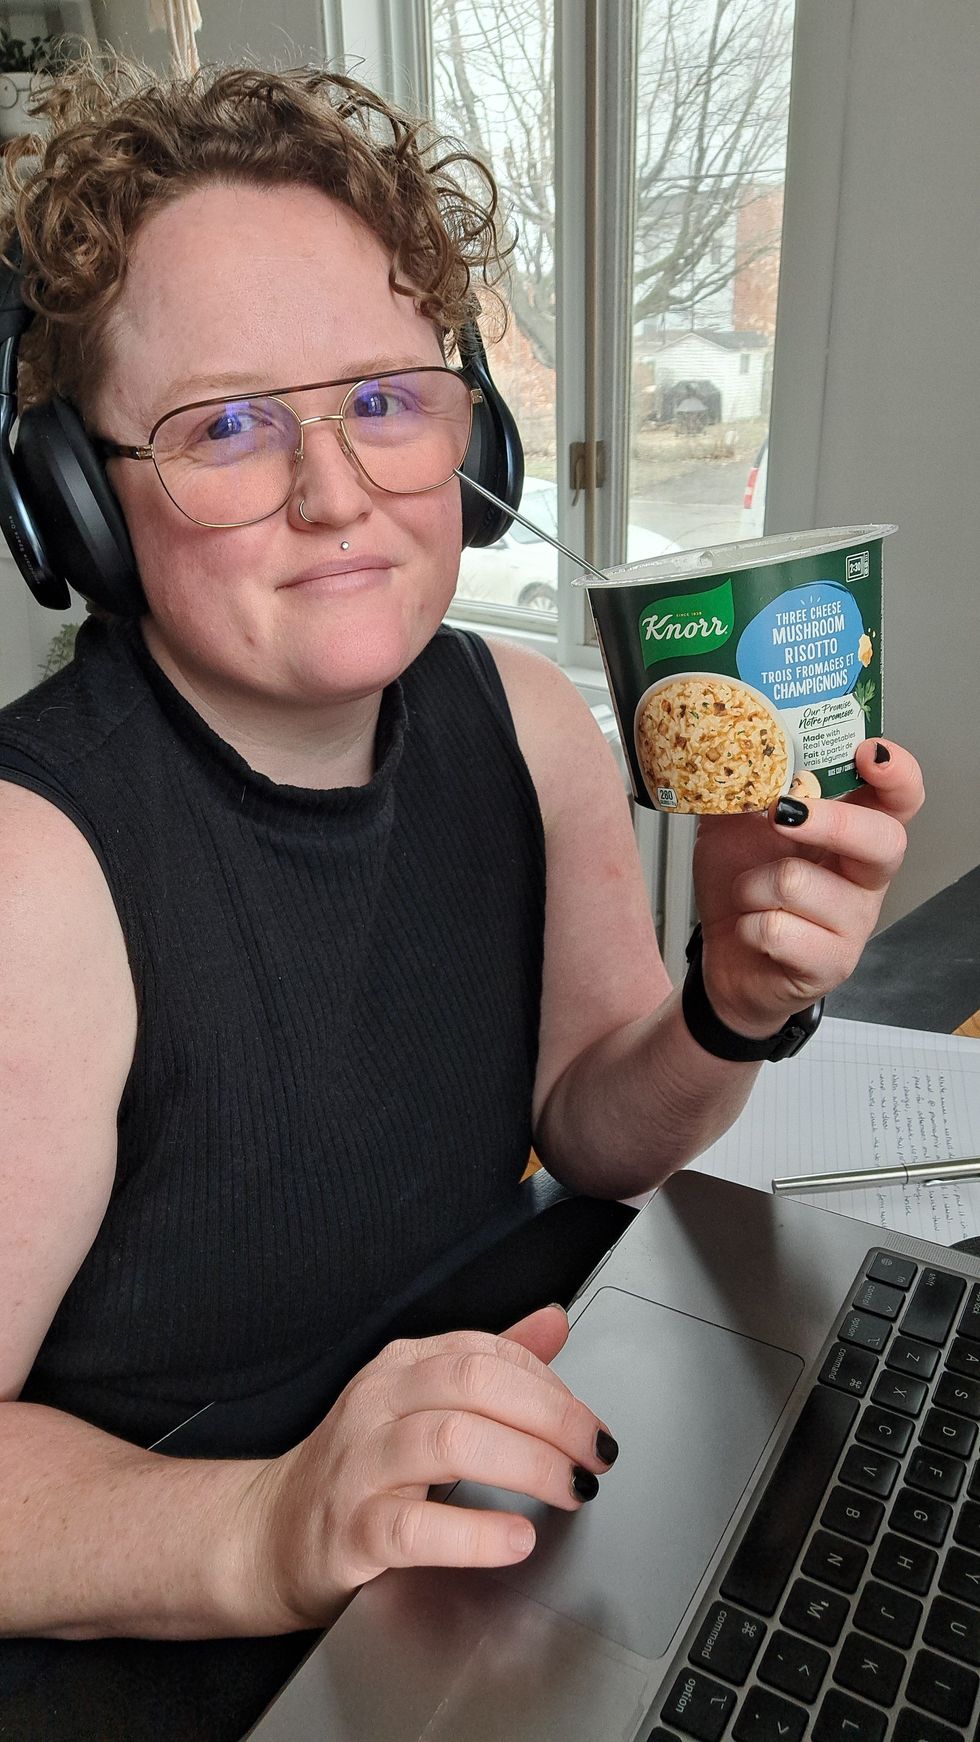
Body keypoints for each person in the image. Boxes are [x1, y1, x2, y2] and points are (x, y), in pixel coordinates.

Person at [0, 55, 922, 1648]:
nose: (334, 492)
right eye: (223, 424)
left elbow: (599, 1130)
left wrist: (729, 1001)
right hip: (203, 1616)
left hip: (506, 1491)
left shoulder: (529, 719)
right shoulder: (35, 865)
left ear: (472, 439)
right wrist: (268, 1521)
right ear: (78, 505)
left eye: (381, 399)